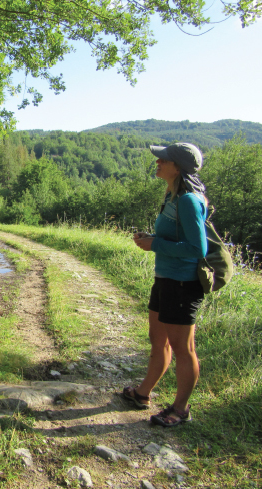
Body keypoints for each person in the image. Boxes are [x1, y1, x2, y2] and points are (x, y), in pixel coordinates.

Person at [124, 142, 208, 427]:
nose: (158, 162)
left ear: (178, 167)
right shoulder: (172, 196)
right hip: (166, 280)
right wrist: (151, 238)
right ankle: (142, 393)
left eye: (164, 159)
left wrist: (155, 244)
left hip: (183, 285)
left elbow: (198, 249)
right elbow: (174, 236)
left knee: (183, 348)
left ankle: (180, 409)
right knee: (158, 340)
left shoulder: (187, 200)